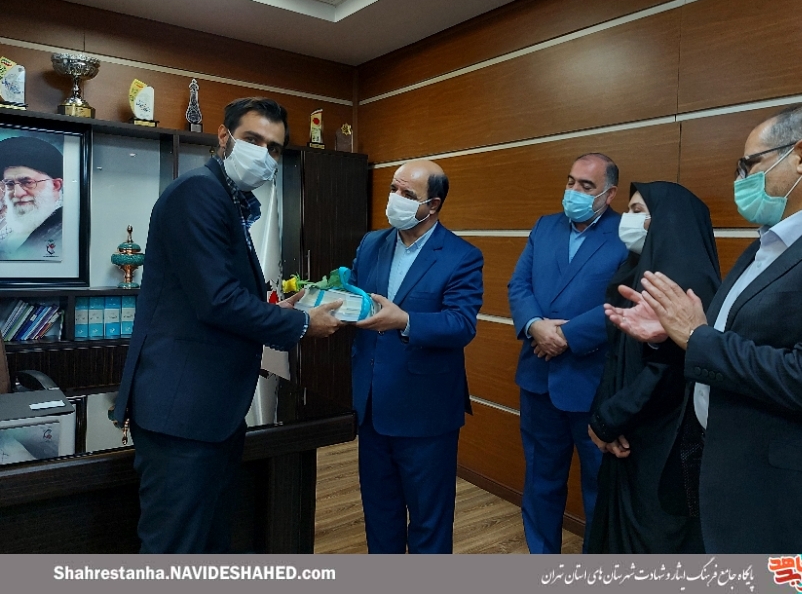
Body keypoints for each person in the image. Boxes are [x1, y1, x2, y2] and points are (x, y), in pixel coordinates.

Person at [606, 105, 802, 553]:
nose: (740, 180)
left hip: (797, 507)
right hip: (732, 482)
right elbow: (735, 344)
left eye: (749, 164)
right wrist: (673, 336)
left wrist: (696, 337)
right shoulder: (765, 245)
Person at [113, 97, 343, 553]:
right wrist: (299, 323)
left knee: (209, 542)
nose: (263, 154)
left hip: (210, 412)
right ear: (223, 137)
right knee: (174, 552)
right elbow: (217, 301)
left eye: (274, 148)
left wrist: (278, 307)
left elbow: (218, 291)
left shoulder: (227, 199)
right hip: (183, 414)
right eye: (253, 139)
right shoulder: (198, 193)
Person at [348, 159, 483, 554]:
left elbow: (461, 324)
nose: (395, 198)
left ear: (433, 204)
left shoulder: (461, 256)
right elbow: (355, 298)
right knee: (380, 515)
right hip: (372, 406)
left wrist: (405, 320)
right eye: (394, 188)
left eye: (407, 194)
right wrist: (322, 300)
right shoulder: (371, 243)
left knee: (429, 521)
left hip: (426, 414)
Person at [586, 182, 720, 554]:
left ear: (668, 221)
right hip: (627, 432)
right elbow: (617, 359)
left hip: (662, 442)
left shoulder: (686, 283)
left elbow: (669, 372)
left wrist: (610, 419)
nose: (626, 220)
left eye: (637, 211)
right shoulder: (635, 271)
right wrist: (605, 419)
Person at [508, 153, 628, 553]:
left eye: (586, 186)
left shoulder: (627, 234)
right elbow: (519, 286)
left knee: (598, 486)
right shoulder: (545, 226)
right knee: (540, 482)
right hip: (538, 380)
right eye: (571, 181)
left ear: (609, 193)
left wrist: (567, 335)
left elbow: (626, 300)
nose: (574, 191)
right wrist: (535, 326)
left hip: (592, 381)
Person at [0, 136, 64, 260]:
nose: (17, 193)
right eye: (10, 184)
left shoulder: (64, 227)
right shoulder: (9, 225)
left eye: (27, 182)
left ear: (55, 185)